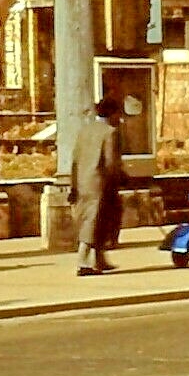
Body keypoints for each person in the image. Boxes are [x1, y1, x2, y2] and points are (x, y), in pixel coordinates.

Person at [70, 95, 126, 276]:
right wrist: (120, 178)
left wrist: (73, 185)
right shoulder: (110, 132)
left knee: (94, 220)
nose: (120, 117)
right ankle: (83, 261)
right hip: (101, 183)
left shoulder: (84, 131)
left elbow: (75, 160)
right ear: (112, 113)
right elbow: (110, 163)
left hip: (82, 181)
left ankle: (100, 259)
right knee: (95, 221)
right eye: (118, 113)